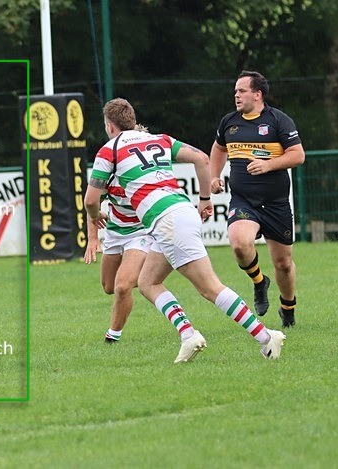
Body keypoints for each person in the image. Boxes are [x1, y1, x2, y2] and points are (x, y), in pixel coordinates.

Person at [85, 98, 285, 363]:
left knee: (210, 288)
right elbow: (201, 159)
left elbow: (90, 200)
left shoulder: (109, 150)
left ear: (110, 126)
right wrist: (204, 200)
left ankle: (266, 337)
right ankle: (188, 334)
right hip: (179, 212)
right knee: (147, 282)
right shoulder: (160, 139)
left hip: (167, 220)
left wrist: (95, 215)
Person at [209, 70, 305, 328]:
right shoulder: (229, 122)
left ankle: (288, 307)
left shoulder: (278, 120)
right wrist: (214, 176)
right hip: (244, 201)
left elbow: (298, 155)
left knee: (283, 264)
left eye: (242, 91)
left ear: (258, 94)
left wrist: (268, 164)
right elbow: (218, 148)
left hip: (275, 204)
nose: (236, 95)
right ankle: (259, 282)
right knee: (240, 245)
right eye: (235, 91)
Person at [83, 125, 154, 344]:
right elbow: (91, 203)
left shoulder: (149, 174)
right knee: (109, 287)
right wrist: (92, 239)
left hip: (141, 232)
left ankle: (112, 336)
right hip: (115, 232)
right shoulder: (109, 171)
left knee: (123, 286)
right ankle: (148, 276)